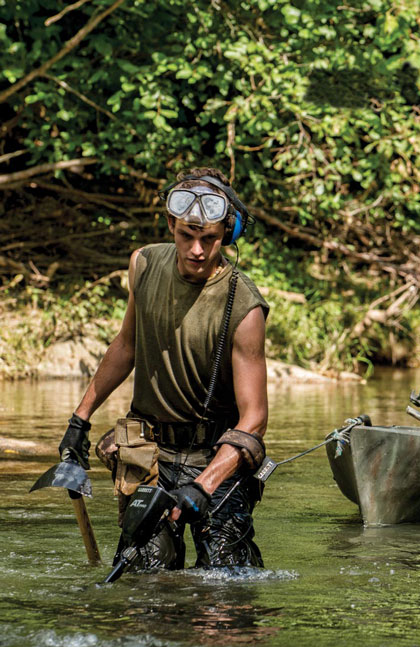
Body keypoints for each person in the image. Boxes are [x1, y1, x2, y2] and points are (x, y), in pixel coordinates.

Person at [57, 166, 269, 571]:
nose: (196, 251)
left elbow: (254, 420)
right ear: (170, 223)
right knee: (146, 587)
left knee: (226, 591)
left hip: (216, 460)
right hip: (149, 455)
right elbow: (126, 345)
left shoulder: (244, 305)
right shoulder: (144, 265)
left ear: (228, 232)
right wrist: (80, 419)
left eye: (209, 239)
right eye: (186, 236)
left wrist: (202, 487)